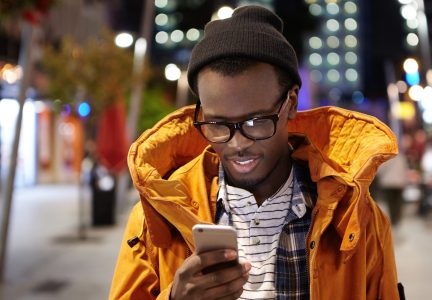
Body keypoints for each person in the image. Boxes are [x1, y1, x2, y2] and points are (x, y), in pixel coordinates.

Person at [110, 5, 402, 300]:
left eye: (256, 121)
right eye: (218, 124)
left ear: (291, 103)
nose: (237, 144)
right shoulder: (158, 214)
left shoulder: (354, 218)